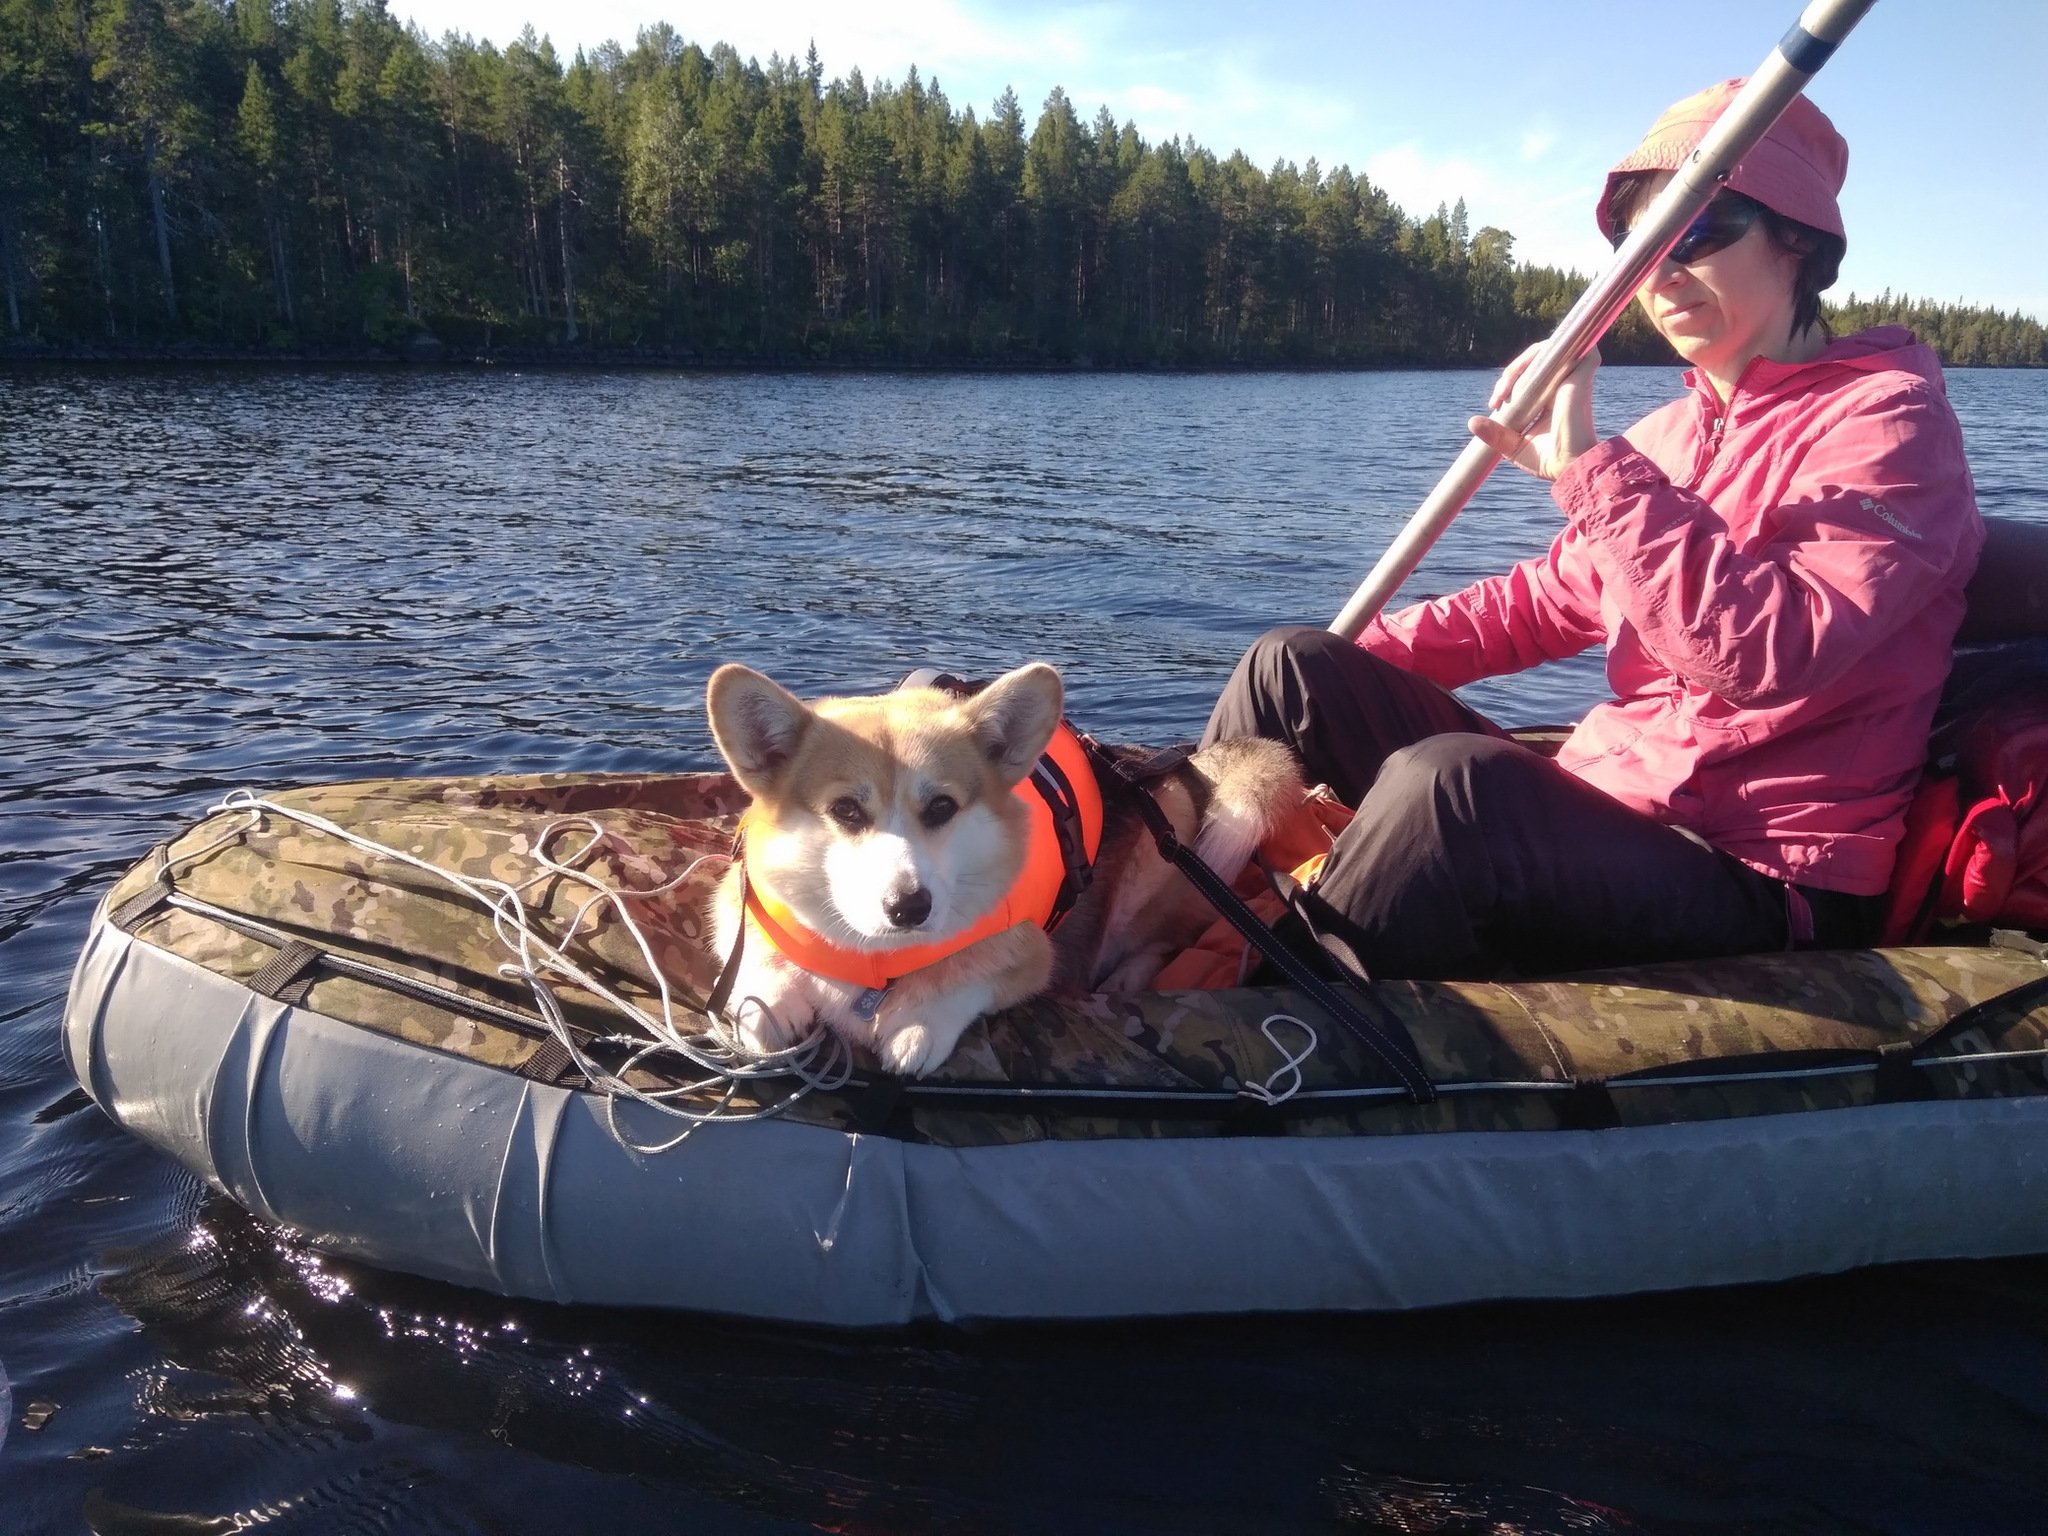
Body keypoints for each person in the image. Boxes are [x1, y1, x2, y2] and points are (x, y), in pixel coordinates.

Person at [1202, 80, 1984, 980]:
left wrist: (1585, 466)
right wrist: (1353, 660)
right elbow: (1537, 605)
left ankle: (1260, 1034)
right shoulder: (1672, 435)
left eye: (1696, 232)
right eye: (1639, 248)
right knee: (1290, 666)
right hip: (1622, 806)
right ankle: (1164, 921)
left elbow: (1764, 656)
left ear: (1798, 237)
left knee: (1452, 791)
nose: (1660, 272)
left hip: (1762, 871)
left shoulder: (1892, 425)